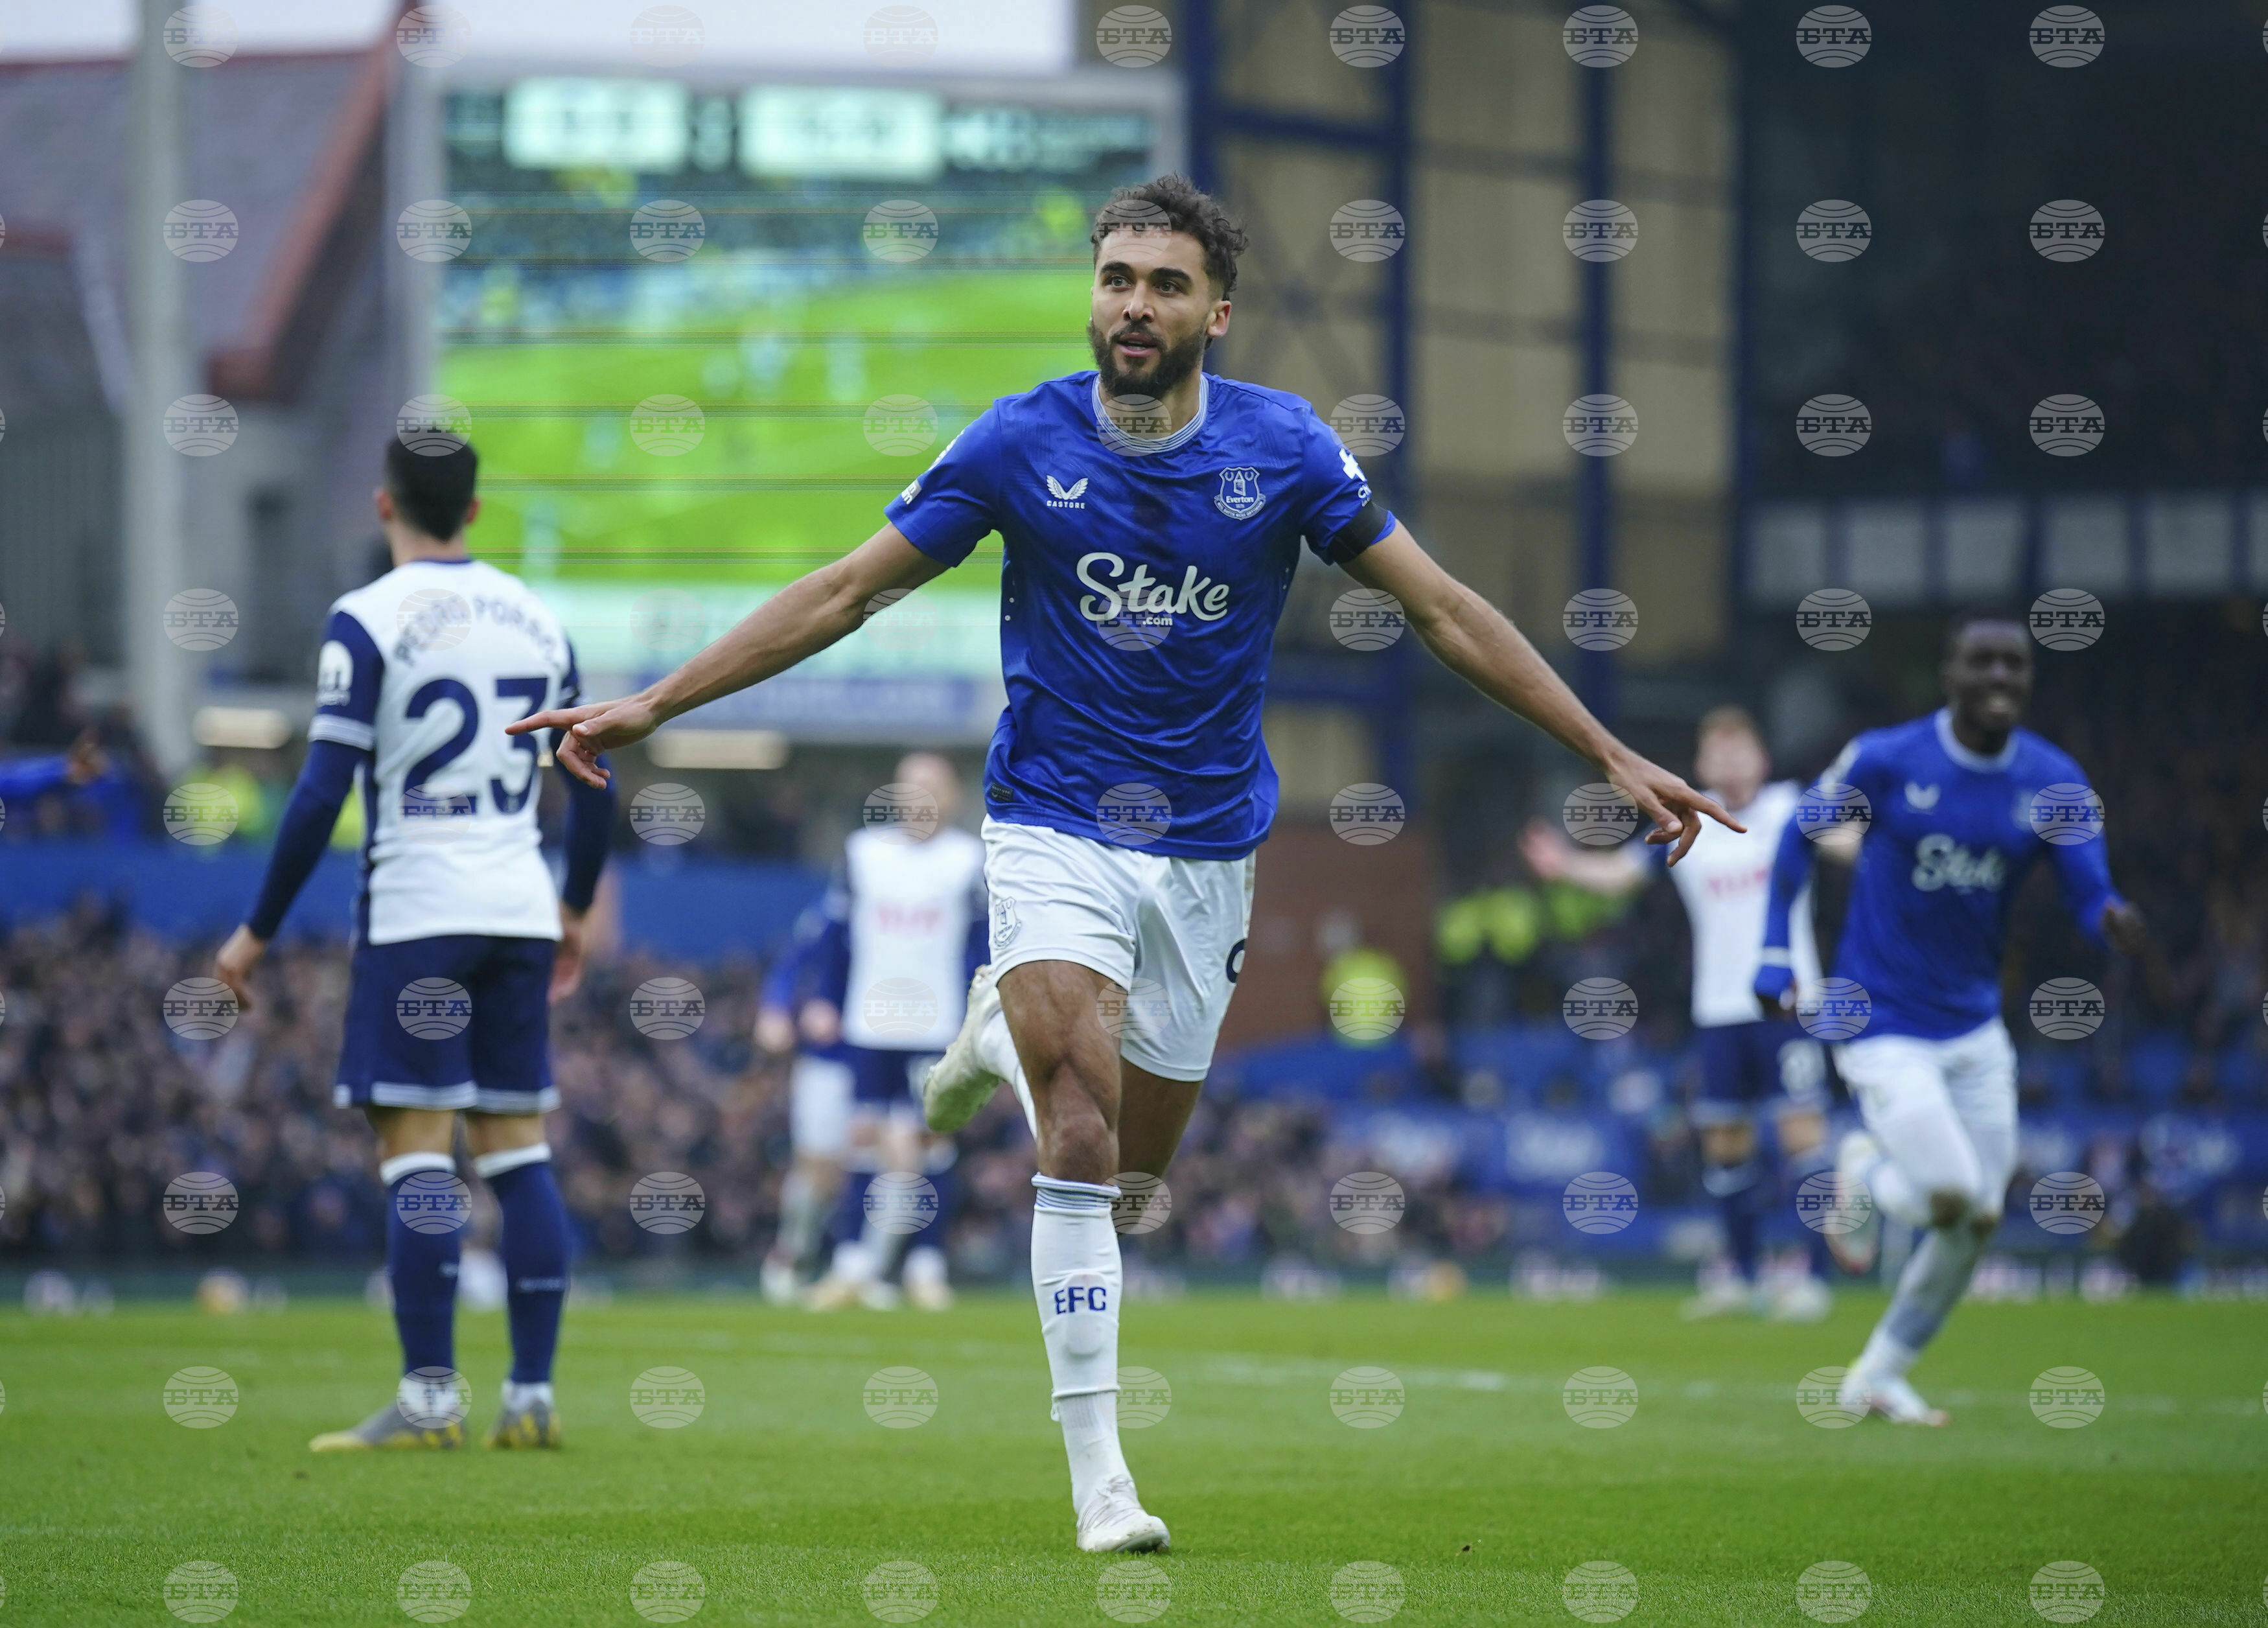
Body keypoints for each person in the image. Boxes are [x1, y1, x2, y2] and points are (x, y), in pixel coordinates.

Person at [511, 175, 1735, 1551]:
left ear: (1217, 311)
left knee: (1132, 1176)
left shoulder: (1285, 448)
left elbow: (1440, 607)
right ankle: (1102, 1476)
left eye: (1164, 284)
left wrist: (1605, 751)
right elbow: (847, 589)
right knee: (1082, 1137)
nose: (1134, 304)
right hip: (1053, 821)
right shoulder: (1018, 440)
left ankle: (993, 1031)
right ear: (1090, 295)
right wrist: (655, 703)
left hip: (1208, 847)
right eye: (1115, 279)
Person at [212, 437, 614, 1451]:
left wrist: (256, 932)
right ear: (473, 510)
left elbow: (320, 793)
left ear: (384, 503)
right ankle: (531, 1397)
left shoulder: (367, 618)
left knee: (418, 1158)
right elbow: (593, 778)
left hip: (418, 916)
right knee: (519, 1150)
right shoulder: (538, 617)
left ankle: (431, 1404)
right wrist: (573, 907)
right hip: (519, 908)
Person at [1755, 610, 2145, 1424]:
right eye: (1982, 663)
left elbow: (2086, 891)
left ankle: (1877, 1374)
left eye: (2013, 665)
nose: (1998, 677)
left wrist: (2109, 918)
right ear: (1949, 676)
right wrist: (1775, 952)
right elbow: (1796, 837)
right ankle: (1861, 1171)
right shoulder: (1887, 758)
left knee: (1978, 1215)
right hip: (1877, 1014)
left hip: (1972, 1026)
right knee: (1948, 1191)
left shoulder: (2051, 779)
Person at [1522, 705, 1835, 1321]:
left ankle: (1814, 1281)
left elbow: (1852, 841)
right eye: (1718, 754)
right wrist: (1564, 866)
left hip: (1789, 1006)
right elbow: (1624, 873)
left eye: (1740, 751)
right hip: (1719, 1009)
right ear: (1701, 765)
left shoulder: (1793, 808)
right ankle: (1740, 1278)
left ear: (1763, 759)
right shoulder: (1690, 820)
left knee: (1801, 1138)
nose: (1731, 764)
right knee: (1726, 1145)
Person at [757, 752, 986, 1312]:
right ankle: (852, 1264)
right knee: (862, 1139)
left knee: (929, 1144)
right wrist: (820, 1000)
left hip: (936, 1022)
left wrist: (977, 1017)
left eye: (931, 788)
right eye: (909, 787)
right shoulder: (863, 854)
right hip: (869, 1020)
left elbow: (980, 946)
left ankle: (925, 1267)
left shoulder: (970, 860)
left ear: (953, 797)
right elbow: (834, 934)